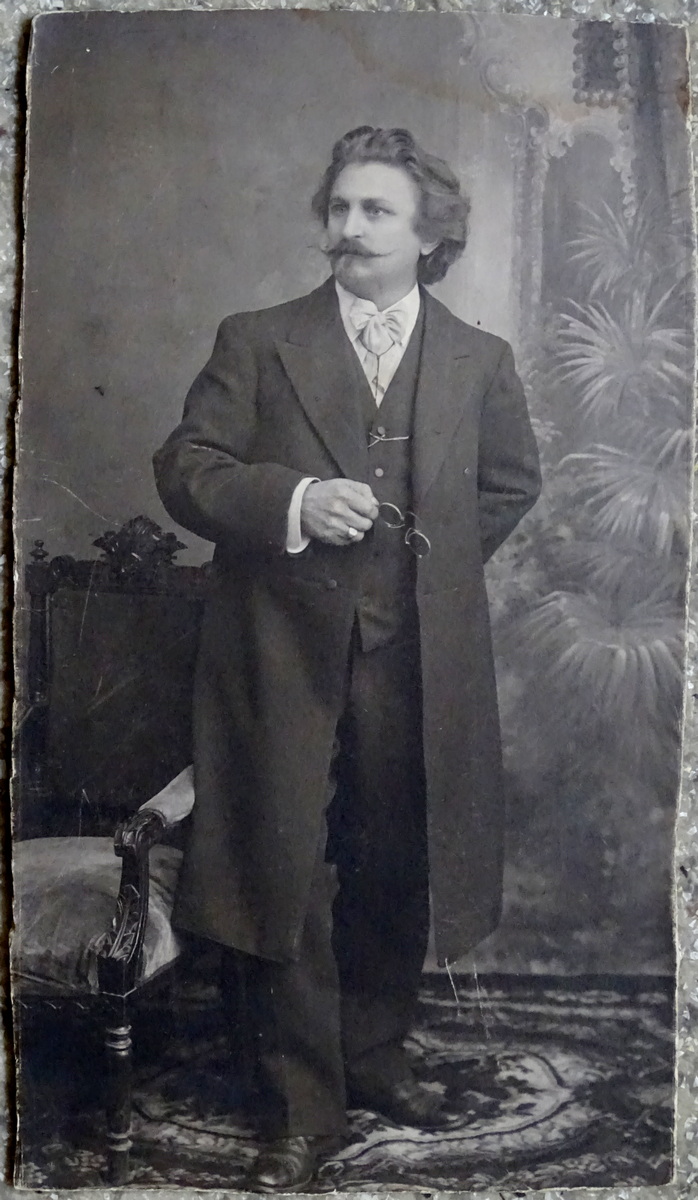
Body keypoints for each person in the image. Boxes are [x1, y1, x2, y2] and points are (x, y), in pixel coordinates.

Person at [153, 125, 541, 1192]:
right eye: (339, 208)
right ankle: (297, 1104)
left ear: (429, 235)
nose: (349, 229)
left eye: (375, 211)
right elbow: (186, 466)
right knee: (281, 869)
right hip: (276, 654)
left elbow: (509, 484)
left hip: (416, 660)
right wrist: (292, 501)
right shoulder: (256, 339)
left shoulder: (477, 359)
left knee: (395, 859)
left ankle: (373, 1057)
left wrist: (426, 574)